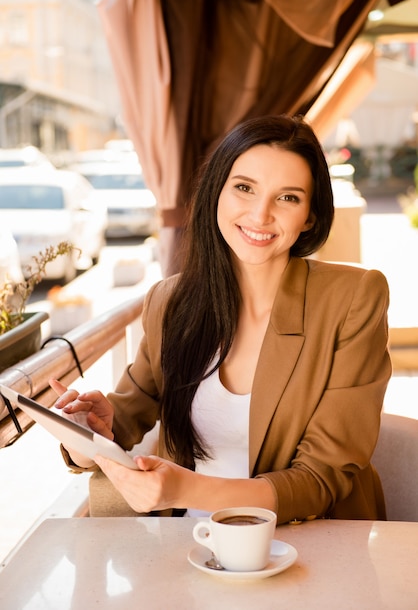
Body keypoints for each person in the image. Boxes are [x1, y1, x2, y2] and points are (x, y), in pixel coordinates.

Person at [51, 114, 392, 524]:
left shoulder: (353, 300)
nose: (261, 214)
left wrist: (183, 488)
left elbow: (323, 477)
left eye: (288, 198)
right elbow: (125, 415)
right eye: (244, 188)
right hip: (194, 548)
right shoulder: (169, 301)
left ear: (310, 217)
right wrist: (88, 431)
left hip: (314, 545)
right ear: (218, 191)